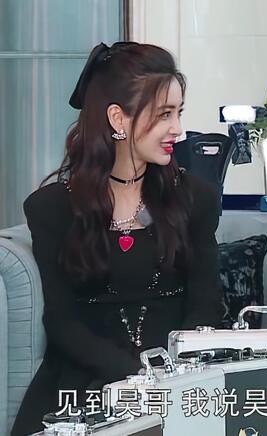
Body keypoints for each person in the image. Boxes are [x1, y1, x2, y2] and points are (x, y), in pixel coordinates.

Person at [11, 42, 224, 435]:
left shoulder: (195, 199)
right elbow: (61, 322)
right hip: (84, 384)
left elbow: (206, 306)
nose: (177, 129)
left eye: (178, 113)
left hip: (176, 382)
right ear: (117, 118)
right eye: (164, 114)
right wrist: (131, 376)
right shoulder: (52, 208)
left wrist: (166, 378)